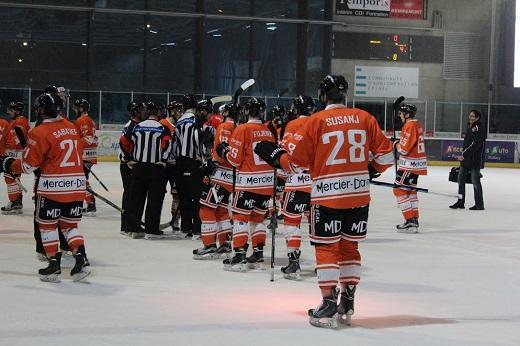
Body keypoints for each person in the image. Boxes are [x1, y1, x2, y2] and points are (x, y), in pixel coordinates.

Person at [254, 75, 394, 328]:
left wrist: (276, 156)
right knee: (350, 248)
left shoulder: (317, 121)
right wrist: (369, 170)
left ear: (323, 96)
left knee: (327, 248)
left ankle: (329, 302)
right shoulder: (365, 118)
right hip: (359, 196)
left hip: (327, 196)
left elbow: (295, 165)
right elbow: (386, 157)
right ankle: (348, 301)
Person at [0, 93, 90, 282]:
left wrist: (7, 163)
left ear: (41, 109)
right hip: (76, 185)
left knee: (47, 226)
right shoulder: (71, 127)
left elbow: (27, 166)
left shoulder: (39, 132)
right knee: (70, 226)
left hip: (52, 187)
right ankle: (80, 259)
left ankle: (54, 265)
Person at [215, 97, 275, 272]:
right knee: (258, 219)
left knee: (240, 219)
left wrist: (224, 151)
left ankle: (240, 255)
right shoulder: (268, 131)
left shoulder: (242, 129)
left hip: (248, 183)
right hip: (266, 184)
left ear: (247, 111)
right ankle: (258, 253)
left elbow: (234, 160)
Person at [120, 101, 173, 240]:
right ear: (159, 112)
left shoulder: (137, 127)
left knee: (136, 198)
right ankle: (151, 230)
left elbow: (123, 141)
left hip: (139, 167)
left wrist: (128, 158)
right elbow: (167, 144)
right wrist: (164, 160)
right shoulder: (162, 128)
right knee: (154, 200)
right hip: (156, 168)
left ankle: (134, 229)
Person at [278, 95, 316, 280]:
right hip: (318, 185)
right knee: (316, 225)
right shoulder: (319, 122)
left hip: (296, 182)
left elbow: (285, 151)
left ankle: (294, 263)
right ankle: (322, 264)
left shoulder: (292, 125)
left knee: (292, 223)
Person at [193, 103, 235, 259]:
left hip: (220, 175)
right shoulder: (238, 126)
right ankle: (225, 244)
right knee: (221, 210)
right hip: (231, 176)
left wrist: (212, 163)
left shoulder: (224, 125)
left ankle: (209, 245)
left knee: (206, 207)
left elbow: (223, 151)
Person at [392, 104, 427, 233]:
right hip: (415, 164)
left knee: (399, 191)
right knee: (410, 192)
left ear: (407, 114)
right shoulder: (416, 124)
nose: (400, 115)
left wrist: (395, 144)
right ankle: (414, 219)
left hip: (409, 164)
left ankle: (410, 220)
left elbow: (404, 149)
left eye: (401, 113)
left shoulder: (410, 125)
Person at [173, 94, 205, 239]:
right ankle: (197, 228)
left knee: (184, 196)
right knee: (197, 197)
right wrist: (201, 156)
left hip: (180, 163)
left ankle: (185, 228)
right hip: (193, 163)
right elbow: (198, 139)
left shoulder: (179, 121)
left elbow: (175, 144)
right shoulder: (195, 120)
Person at [119, 101, 146, 238]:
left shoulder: (134, 125)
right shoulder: (133, 126)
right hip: (128, 166)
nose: (143, 112)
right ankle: (130, 225)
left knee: (130, 195)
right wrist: (129, 159)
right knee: (132, 196)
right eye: (141, 109)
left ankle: (128, 225)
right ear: (135, 112)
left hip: (128, 165)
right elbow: (123, 141)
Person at [450, 110, 486, 210]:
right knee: (460, 179)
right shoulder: (470, 126)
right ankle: (460, 201)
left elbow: (476, 144)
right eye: (470, 115)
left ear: (478, 117)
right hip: (466, 159)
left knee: (475, 181)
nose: (470, 117)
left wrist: (464, 154)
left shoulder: (479, 128)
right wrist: (464, 155)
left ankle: (479, 204)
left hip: (474, 159)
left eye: (473, 116)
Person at [1, 101, 30, 214]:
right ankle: (17, 201)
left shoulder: (20, 121)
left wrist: (7, 150)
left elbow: (18, 139)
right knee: (13, 178)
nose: (9, 112)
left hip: (15, 155)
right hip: (13, 154)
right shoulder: (16, 121)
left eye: (12, 110)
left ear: (17, 111)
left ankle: (15, 202)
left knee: (10, 177)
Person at [73, 99, 98, 216]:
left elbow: (88, 138)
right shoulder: (90, 120)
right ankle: (88, 203)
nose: (75, 110)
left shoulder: (82, 120)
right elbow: (93, 138)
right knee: (82, 179)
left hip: (84, 155)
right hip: (89, 155)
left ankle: (91, 204)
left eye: (76, 108)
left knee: (81, 180)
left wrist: (74, 146)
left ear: (81, 109)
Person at [162, 101, 182, 233]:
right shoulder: (163, 123)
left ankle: (175, 220)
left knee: (177, 195)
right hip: (163, 166)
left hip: (176, 166)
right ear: (172, 111)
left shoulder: (180, 125)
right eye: (177, 110)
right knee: (157, 195)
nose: (180, 113)